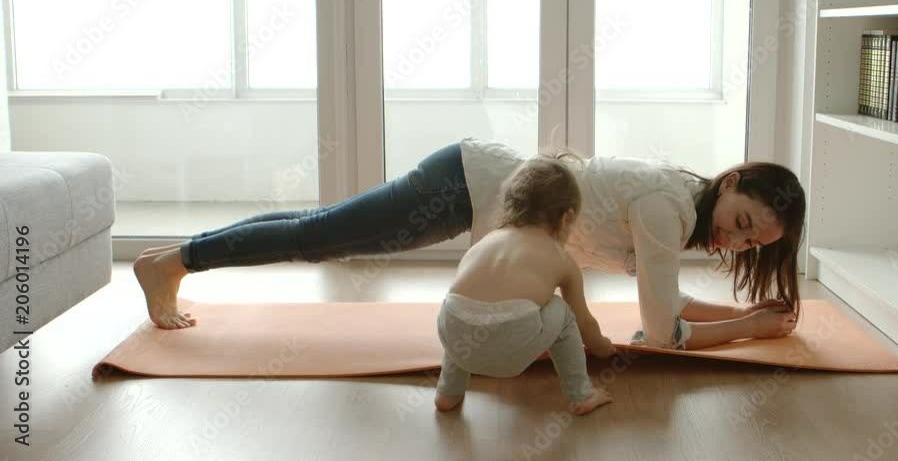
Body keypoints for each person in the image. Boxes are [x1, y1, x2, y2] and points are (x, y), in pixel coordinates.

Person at [134, 137, 804, 350]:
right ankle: (171, 262)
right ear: (733, 180)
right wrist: (748, 328)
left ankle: (173, 260)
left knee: (323, 228)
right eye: (743, 221)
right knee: (319, 235)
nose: (735, 240)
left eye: (751, 245)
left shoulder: (685, 207)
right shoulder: (668, 209)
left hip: (475, 182)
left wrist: (750, 318)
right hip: (468, 186)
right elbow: (662, 331)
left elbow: (668, 303)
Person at [434, 152, 616, 415]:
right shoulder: (562, 260)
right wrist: (602, 347)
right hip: (510, 346)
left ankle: (448, 392)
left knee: (465, 307)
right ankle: (582, 394)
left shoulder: (487, 241)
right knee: (563, 313)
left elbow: (467, 302)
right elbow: (585, 323)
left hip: (454, 333)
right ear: (566, 218)